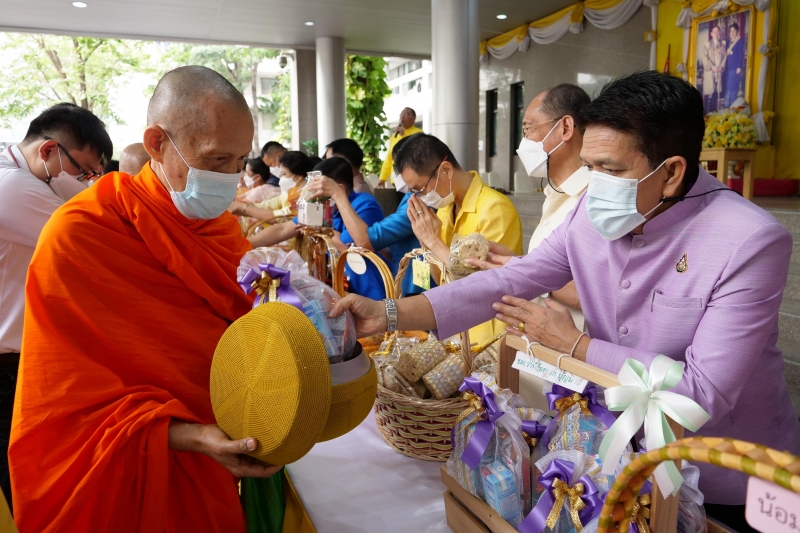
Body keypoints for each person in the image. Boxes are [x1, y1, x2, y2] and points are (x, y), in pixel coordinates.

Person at [331, 71, 798, 533]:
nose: (596, 186)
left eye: (611, 170)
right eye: (590, 168)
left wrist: (576, 347)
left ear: (672, 172)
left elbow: (702, 392)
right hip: (624, 463)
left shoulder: (749, 240)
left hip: (724, 475)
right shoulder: (589, 214)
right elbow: (510, 278)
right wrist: (390, 313)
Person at [9, 66, 281, 532]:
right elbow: (66, 406)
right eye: (217, 161)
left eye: (240, 162)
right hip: (128, 472)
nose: (232, 179)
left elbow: (237, 332)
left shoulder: (217, 230)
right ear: (157, 143)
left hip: (213, 464)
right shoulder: (80, 234)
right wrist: (190, 435)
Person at [0, 102, 111, 510]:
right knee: (28, 484)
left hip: (19, 353)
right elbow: (97, 243)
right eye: (81, 171)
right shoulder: (14, 186)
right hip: (7, 364)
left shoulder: (22, 174)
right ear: (48, 151)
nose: (85, 182)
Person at [476, 83, 590, 410]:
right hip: (537, 353)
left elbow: (594, 291)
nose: (523, 142)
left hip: (570, 363)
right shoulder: (556, 193)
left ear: (565, 127)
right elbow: (558, 269)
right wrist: (520, 263)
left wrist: (525, 274)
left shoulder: (590, 199)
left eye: (528, 129)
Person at [396, 133, 522, 344]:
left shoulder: (494, 208)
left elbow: (481, 286)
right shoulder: (446, 209)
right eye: (413, 192)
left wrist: (434, 241)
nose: (419, 197)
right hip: (458, 327)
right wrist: (425, 241)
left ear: (445, 170)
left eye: (420, 189)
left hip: (490, 336)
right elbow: (441, 279)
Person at [250, 157, 387, 299]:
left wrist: (319, 227)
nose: (314, 198)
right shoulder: (322, 208)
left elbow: (349, 248)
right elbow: (283, 229)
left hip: (370, 291)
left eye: (318, 192)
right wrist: (245, 245)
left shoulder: (365, 204)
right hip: (341, 287)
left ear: (338, 189)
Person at [309, 142, 424, 296]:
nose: (396, 173)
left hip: (414, 280)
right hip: (407, 276)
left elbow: (363, 241)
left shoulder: (418, 202)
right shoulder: (413, 197)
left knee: (418, 303)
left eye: (398, 166)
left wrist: (336, 194)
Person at [231, 151, 313, 222]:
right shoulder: (290, 191)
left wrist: (244, 208)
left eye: (284, 174)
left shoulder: (308, 194)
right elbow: (270, 204)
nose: (281, 179)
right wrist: (248, 206)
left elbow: (283, 216)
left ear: (299, 175)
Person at [377, 107, 423, 192]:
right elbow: (389, 157)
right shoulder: (394, 136)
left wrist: (403, 136)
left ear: (414, 118)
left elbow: (414, 152)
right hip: (396, 178)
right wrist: (382, 178)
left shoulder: (418, 133)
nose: (403, 117)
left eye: (407, 114)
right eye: (401, 115)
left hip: (411, 177)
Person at [702, 25, 726, 113]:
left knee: (716, 91)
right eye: (714, 32)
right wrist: (712, 67)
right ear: (711, 34)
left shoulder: (722, 45)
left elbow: (725, 57)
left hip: (718, 72)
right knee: (708, 91)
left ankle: (712, 111)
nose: (716, 33)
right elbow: (704, 58)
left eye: (718, 32)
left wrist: (721, 67)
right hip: (710, 72)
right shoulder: (707, 45)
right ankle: (704, 112)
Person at [724, 23, 745, 108]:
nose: (732, 32)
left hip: (735, 68)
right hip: (728, 68)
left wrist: (739, 67)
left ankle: (731, 107)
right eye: (731, 31)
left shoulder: (740, 41)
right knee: (728, 87)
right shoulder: (729, 42)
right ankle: (726, 106)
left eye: (734, 31)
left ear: (737, 31)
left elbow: (740, 54)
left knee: (733, 88)